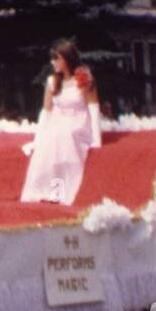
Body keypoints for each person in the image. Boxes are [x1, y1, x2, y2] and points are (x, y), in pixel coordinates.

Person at [20, 39, 102, 204]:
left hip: (79, 123)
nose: (53, 62)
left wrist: (97, 139)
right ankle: (50, 191)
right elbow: (46, 111)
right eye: (52, 58)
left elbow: (93, 108)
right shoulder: (52, 81)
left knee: (65, 135)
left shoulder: (83, 79)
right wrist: (38, 138)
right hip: (59, 123)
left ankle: (64, 192)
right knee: (49, 141)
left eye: (57, 58)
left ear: (67, 59)